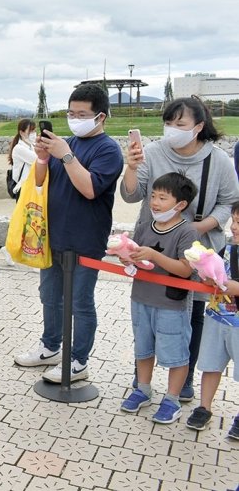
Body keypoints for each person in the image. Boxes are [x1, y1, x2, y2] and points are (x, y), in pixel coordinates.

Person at [122, 96, 239, 400]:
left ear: (198, 127)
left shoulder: (219, 161)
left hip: (198, 248)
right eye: (168, 123)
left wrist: (202, 225)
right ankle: (142, 377)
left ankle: (183, 380)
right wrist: (131, 168)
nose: (172, 129)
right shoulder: (152, 152)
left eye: (180, 124)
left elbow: (229, 200)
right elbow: (131, 195)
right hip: (154, 242)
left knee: (193, 310)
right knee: (148, 307)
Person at [13, 83, 123, 383]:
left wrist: (67, 156)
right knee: (49, 296)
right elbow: (39, 181)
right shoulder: (65, 143)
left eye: (82, 113)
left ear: (100, 117)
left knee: (80, 302)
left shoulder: (108, 149)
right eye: (71, 112)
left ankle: (78, 360)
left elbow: (89, 189)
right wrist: (44, 157)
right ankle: (50, 346)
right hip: (51, 234)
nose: (74, 118)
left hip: (85, 239)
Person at [119, 173, 199, 424]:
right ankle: (143, 389)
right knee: (142, 347)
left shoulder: (187, 232)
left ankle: (172, 399)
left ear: (180, 205)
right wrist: (127, 256)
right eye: (153, 196)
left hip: (171, 304)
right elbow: (138, 258)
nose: (154, 202)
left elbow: (186, 269)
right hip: (141, 298)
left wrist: (153, 256)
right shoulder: (144, 227)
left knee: (176, 352)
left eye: (162, 198)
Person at [186, 201, 239, 438]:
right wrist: (206, 276)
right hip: (216, 318)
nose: (234, 227)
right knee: (210, 365)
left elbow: (228, 284)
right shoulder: (226, 249)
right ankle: (204, 407)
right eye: (235, 221)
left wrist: (225, 284)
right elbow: (211, 276)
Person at [0, 118, 37, 264]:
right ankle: (17, 252)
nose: (34, 134)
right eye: (31, 131)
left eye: (35, 130)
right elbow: (39, 161)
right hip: (23, 189)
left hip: (32, 189)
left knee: (26, 223)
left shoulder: (30, 146)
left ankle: (9, 249)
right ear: (22, 132)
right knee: (27, 223)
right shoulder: (20, 149)